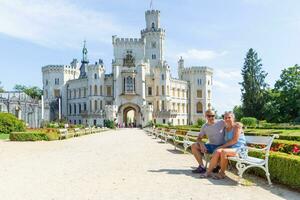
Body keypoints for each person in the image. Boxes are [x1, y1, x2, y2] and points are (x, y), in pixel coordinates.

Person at [200, 111, 245, 179]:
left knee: (223, 151)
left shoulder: (237, 126)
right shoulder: (226, 128)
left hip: (240, 150)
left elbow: (234, 140)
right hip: (230, 149)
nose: (227, 119)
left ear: (233, 118)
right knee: (218, 151)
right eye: (225, 118)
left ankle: (222, 173)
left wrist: (220, 147)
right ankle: (208, 172)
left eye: (229, 117)